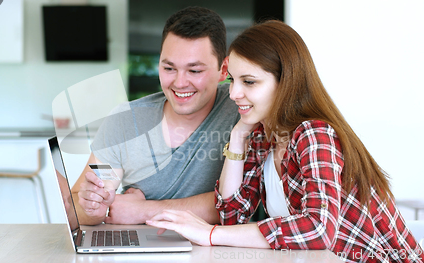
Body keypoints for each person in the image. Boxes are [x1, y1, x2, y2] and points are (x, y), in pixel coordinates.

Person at [146, 20, 423, 263]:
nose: (233, 93)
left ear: (285, 83)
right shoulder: (263, 137)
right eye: (232, 80)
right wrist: (238, 135)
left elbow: (317, 229)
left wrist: (209, 234)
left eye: (250, 82)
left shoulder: (314, 134)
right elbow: (231, 216)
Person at [70, 6, 240, 226]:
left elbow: (237, 203)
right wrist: (94, 207)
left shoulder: (241, 108)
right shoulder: (125, 122)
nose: (179, 83)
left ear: (224, 69)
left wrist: (144, 211)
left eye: (195, 71)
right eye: (169, 68)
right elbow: (78, 205)